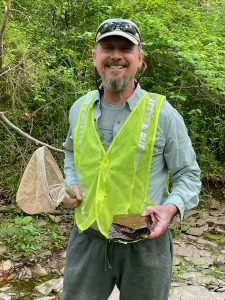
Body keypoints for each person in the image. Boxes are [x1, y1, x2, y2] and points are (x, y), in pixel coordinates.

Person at [62, 18, 201, 300]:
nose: (116, 55)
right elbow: (71, 152)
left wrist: (171, 207)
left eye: (125, 48)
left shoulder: (163, 113)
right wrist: (71, 182)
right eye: (107, 47)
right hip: (88, 237)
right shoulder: (80, 107)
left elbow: (188, 173)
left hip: (144, 241)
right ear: (95, 57)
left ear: (139, 59)